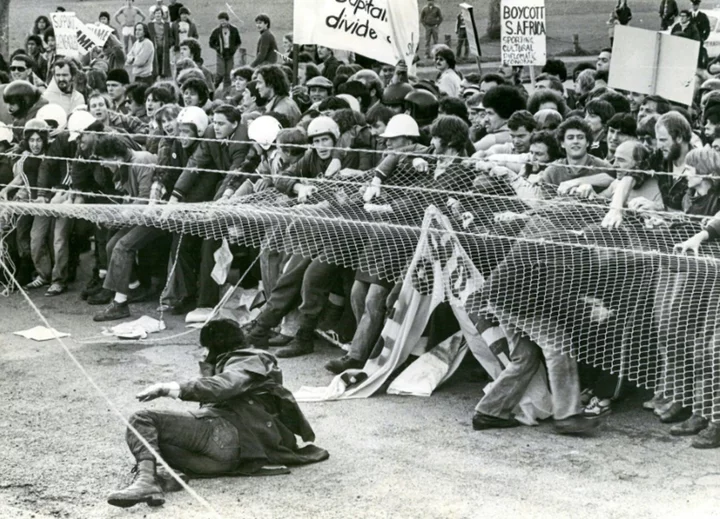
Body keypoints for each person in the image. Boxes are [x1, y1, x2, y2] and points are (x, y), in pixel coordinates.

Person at [106, 319, 328, 508]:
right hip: (232, 455)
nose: (204, 353)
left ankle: (148, 480)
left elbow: (224, 385)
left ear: (215, 345)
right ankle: (160, 479)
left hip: (233, 436)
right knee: (150, 443)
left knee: (142, 420)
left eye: (206, 347)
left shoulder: (248, 358)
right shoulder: (243, 359)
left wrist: (170, 388)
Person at [208, 12, 241, 88]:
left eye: (223, 20)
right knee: (220, 73)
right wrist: (217, 48)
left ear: (227, 20)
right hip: (221, 54)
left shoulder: (234, 30)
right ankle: (214, 88)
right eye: (220, 21)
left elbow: (238, 42)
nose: (222, 22)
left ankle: (226, 91)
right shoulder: (216, 31)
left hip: (230, 54)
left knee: (229, 74)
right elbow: (211, 42)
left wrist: (234, 49)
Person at [148, 9, 173, 79]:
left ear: (162, 15)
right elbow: (148, 36)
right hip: (154, 47)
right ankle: (155, 76)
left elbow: (171, 36)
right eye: (156, 13)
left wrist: (169, 44)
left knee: (164, 62)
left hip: (164, 47)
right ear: (154, 15)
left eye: (159, 13)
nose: (158, 15)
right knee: (155, 62)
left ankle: (164, 76)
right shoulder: (150, 25)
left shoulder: (166, 25)